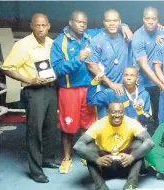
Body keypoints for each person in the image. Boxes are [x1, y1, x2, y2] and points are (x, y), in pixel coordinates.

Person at [1, 13, 59, 183]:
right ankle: (35, 170)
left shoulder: (51, 43)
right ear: (31, 26)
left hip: (50, 88)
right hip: (34, 91)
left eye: (44, 25)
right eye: (37, 25)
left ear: (49, 26)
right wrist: (29, 80)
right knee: (35, 131)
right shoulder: (22, 45)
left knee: (50, 127)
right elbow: (7, 67)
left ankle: (47, 159)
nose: (41, 29)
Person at [50, 10, 98, 174]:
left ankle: (85, 154)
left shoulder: (89, 37)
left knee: (88, 125)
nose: (82, 25)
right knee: (68, 127)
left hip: (88, 89)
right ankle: (66, 158)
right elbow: (57, 69)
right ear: (71, 22)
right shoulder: (59, 42)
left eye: (85, 22)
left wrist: (125, 26)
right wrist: (77, 58)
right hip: (69, 90)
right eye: (79, 22)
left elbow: (109, 27)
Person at [73, 101, 154, 190]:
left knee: (138, 144)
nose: (117, 115)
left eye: (120, 112)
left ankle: (131, 184)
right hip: (105, 164)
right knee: (89, 148)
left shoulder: (131, 122)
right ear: (108, 112)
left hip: (125, 163)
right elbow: (78, 146)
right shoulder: (99, 124)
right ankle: (101, 186)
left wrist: (132, 156)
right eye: (114, 112)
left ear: (123, 112)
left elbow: (149, 142)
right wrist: (97, 159)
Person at [86, 9, 133, 119]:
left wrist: (125, 26)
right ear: (103, 22)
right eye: (108, 21)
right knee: (105, 124)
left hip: (125, 88)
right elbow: (91, 65)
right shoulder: (97, 40)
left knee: (126, 123)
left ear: (120, 22)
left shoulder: (126, 36)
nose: (112, 23)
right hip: (105, 89)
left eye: (115, 20)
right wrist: (110, 84)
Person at [88, 67, 155, 135]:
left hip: (136, 131)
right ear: (123, 77)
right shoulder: (113, 92)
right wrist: (95, 81)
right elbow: (91, 100)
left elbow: (147, 119)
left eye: (132, 75)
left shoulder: (144, 94)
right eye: (126, 75)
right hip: (117, 131)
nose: (128, 78)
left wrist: (140, 111)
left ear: (137, 78)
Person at [132, 7, 164, 123]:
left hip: (158, 82)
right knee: (142, 116)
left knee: (159, 116)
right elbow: (144, 66)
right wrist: (163, 85)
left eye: (153, 18)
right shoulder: (138, 36)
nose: (150, 21)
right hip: (143, 83)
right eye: (147, 18)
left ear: (158, 20)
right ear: (143, 19)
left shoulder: (162, 31)